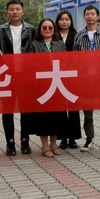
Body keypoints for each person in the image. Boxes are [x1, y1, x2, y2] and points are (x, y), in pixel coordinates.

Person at [0, 0, 35, 156]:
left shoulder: (30, 29)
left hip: (25, 75)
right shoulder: (0, 30)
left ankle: (25, 141)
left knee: (26, 110)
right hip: (7, 75)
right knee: (7, 110)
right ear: (7, 12)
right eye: (11, 9)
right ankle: (10, 143)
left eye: (17, 9)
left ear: (22, 11)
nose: (14, 12)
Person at [73, 5, 100, 153]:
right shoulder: (79, 35)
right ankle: (89, 139)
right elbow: (74, 57)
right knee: (87, 112)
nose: (90, 16)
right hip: (85, 79)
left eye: (92, 14)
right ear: (84, 17)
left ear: (97, 16)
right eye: (87, 14)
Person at [27, 18, 67, 157]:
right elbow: (30, 63)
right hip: (41, 85)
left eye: (50, 27)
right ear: (40, 30)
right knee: (43, 116)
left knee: (57, 115)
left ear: (54, 29)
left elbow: (66, 62)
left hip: (57, 84)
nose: (48, 30)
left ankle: (54, 143)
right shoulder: (34, 44)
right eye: (44, 28)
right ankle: (44, 145)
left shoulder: (60, 44)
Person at [55, 10, 81, 149]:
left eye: (67, 19)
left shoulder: (76, 35)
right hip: (57, 74)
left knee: (73, 108)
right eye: (62, 19)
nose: (64, 22)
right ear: (57, 21)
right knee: (60, 108)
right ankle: (62, 138)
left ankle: (73, 138)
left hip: (72, 75)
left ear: (71, 21)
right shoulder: (53, 35)